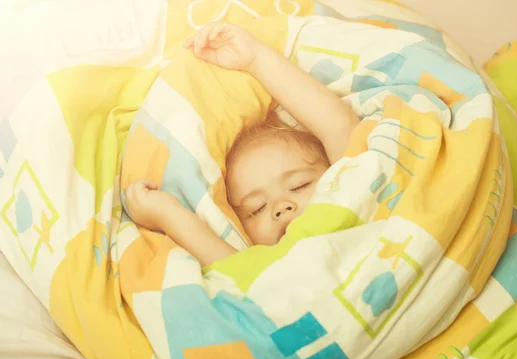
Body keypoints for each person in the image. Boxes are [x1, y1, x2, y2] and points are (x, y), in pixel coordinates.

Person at [125, 21, 359, 267]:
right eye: (256, 209)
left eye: (299, 185)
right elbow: (228, 265)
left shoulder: (356, 189)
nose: (281, 207)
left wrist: (255, 59)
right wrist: (166, 211)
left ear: (336, 166)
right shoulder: (268, 270)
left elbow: (339, 125)